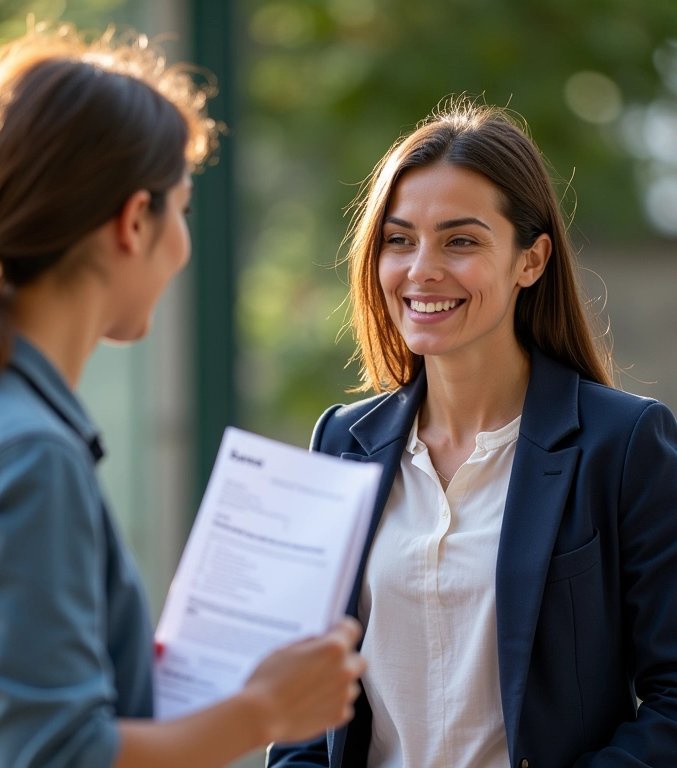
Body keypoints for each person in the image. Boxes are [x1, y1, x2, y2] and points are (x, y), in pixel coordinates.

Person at [0, 26, 366, 768]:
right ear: (132, 222)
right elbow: (54, 755)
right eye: (182, 208)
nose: (183, 242)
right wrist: (264, 712)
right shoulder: (28, 459)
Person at [267, 100, 677, 768]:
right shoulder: (342, 443)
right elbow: (305, 719)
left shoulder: (625, 445)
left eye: (460, 241)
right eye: (399, 240)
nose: (422, 269)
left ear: (531, 260)